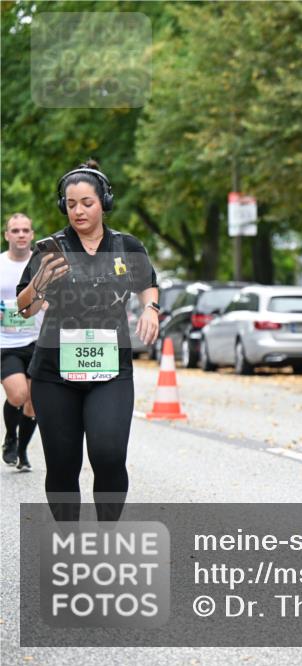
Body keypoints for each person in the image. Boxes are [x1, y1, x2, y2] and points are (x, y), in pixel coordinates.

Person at [16, 161, 159, 522]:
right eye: (71, 203)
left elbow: (147, 284)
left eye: (87, 202)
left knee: (109, 454)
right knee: (63, 465)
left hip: (111, 370)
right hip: (53, 373)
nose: (78, 210)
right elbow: (25, 309)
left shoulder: (127, 246)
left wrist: (151, 309)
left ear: (104, 203)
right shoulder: (52, 248)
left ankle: (106, 535)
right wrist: (40, 281)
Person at [2, 213, 42, 470]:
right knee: (18, 394)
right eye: (15, 230)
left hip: (37, 340)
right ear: (7, 235)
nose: (20, 235)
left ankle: (23, 450)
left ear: (32, 235)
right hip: (5, 342)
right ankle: (10, 437)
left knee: (34, 401)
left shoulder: (41, 265)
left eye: (25, 230)